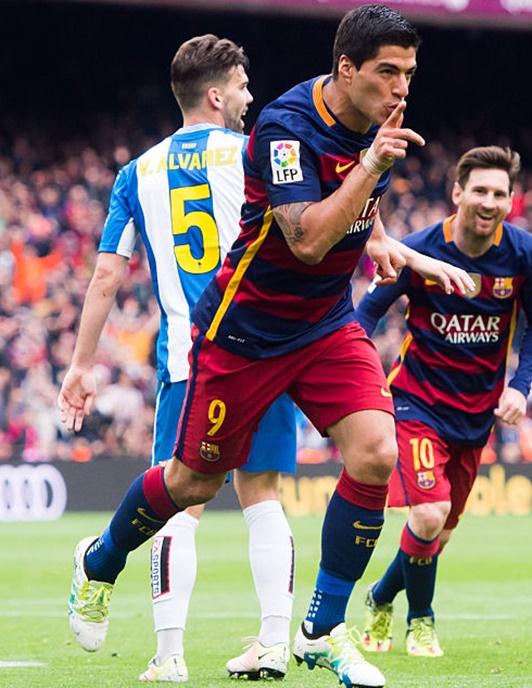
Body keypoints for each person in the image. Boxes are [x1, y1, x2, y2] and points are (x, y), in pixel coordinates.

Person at [65, 6, 474, 687]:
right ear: (347, 69)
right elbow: (308, 236)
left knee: (376, 453)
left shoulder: (377, 123)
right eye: (388, 72)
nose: (402, 88)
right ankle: (100, 561)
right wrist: (371, 167)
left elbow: (353, 215)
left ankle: (320, 629)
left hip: (323, 325)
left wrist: (387, 244)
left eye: (409, 73)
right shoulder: (285, 126)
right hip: (244, 331)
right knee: (194, 480)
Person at [59, 35, 297, 682]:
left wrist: (80, 366)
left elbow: (107, 277)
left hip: (190, 364)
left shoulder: (136, 173)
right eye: (244, 86)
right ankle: (276, 642)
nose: (251, 97)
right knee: (264, 498)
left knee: (177, 507)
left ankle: (169, 657)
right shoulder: (255, 155)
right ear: (216, 94)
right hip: (266, 351)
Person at [355, 145, 532, 657]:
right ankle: (421, 622)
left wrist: (520, 385)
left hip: (477, 414)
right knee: (427, 516)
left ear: (512, 201)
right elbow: (365, 315)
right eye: (480, 191)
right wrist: (359, 382)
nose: (489, 202)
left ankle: (380, 597)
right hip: (416, 401)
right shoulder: (421, 250)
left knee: (437, 536)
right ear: (457, 193)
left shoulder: (525, 254)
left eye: (500, 193)